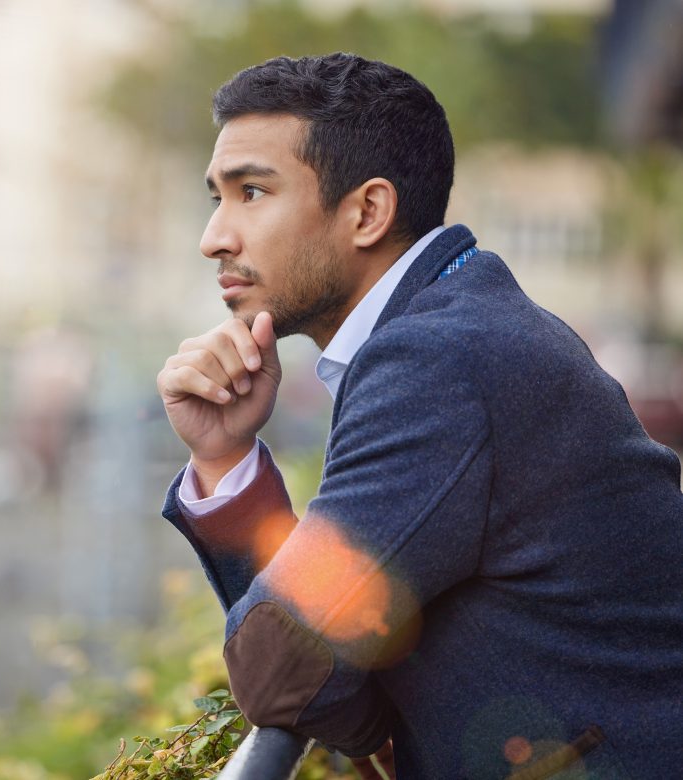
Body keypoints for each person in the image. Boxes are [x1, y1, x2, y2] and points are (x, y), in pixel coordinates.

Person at [155, 52, 683, 779]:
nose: (215, 236)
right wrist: (224, 459)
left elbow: (285, 671)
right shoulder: (461, 321)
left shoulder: (438, 361)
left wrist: (322, 677)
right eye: (216, 196)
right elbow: (338, 690)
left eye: (252, 192)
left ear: (367, 211)